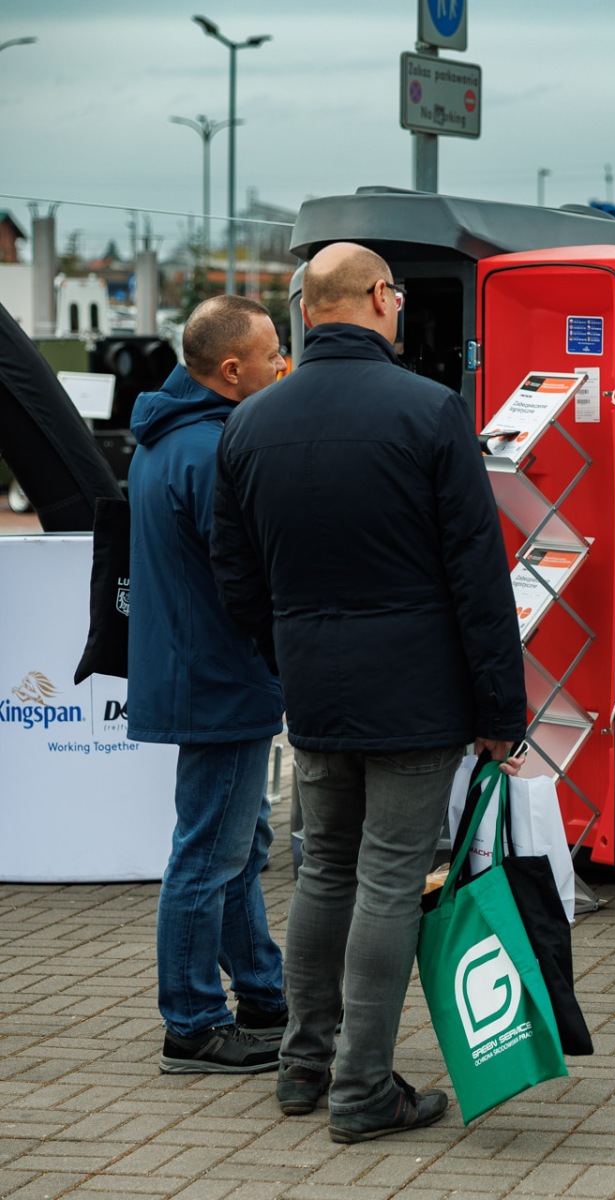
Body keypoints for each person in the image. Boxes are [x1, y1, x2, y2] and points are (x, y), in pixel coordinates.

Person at [211, 242, 527, 1142]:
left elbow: (235, 574)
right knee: (389, 879)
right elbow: (477, 573)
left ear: (308, 312)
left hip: (315, 689)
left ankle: (303, 1065)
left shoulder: (249, 423)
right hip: (416, 694)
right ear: (383, 299)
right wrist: (500, 710)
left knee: (324, 870)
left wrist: (288, 652)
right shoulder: (430, 410)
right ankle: (362, 1089)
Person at [130, 294, 289, 1074]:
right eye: (273, 353)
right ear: (231, 369)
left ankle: (262, 992)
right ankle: (192, 1024)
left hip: (201, 673)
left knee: (236, 843)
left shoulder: (169, 438)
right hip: (221, 680)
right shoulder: (214, 450)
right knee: (208, 855)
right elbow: (249, 575)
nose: (284, 365)